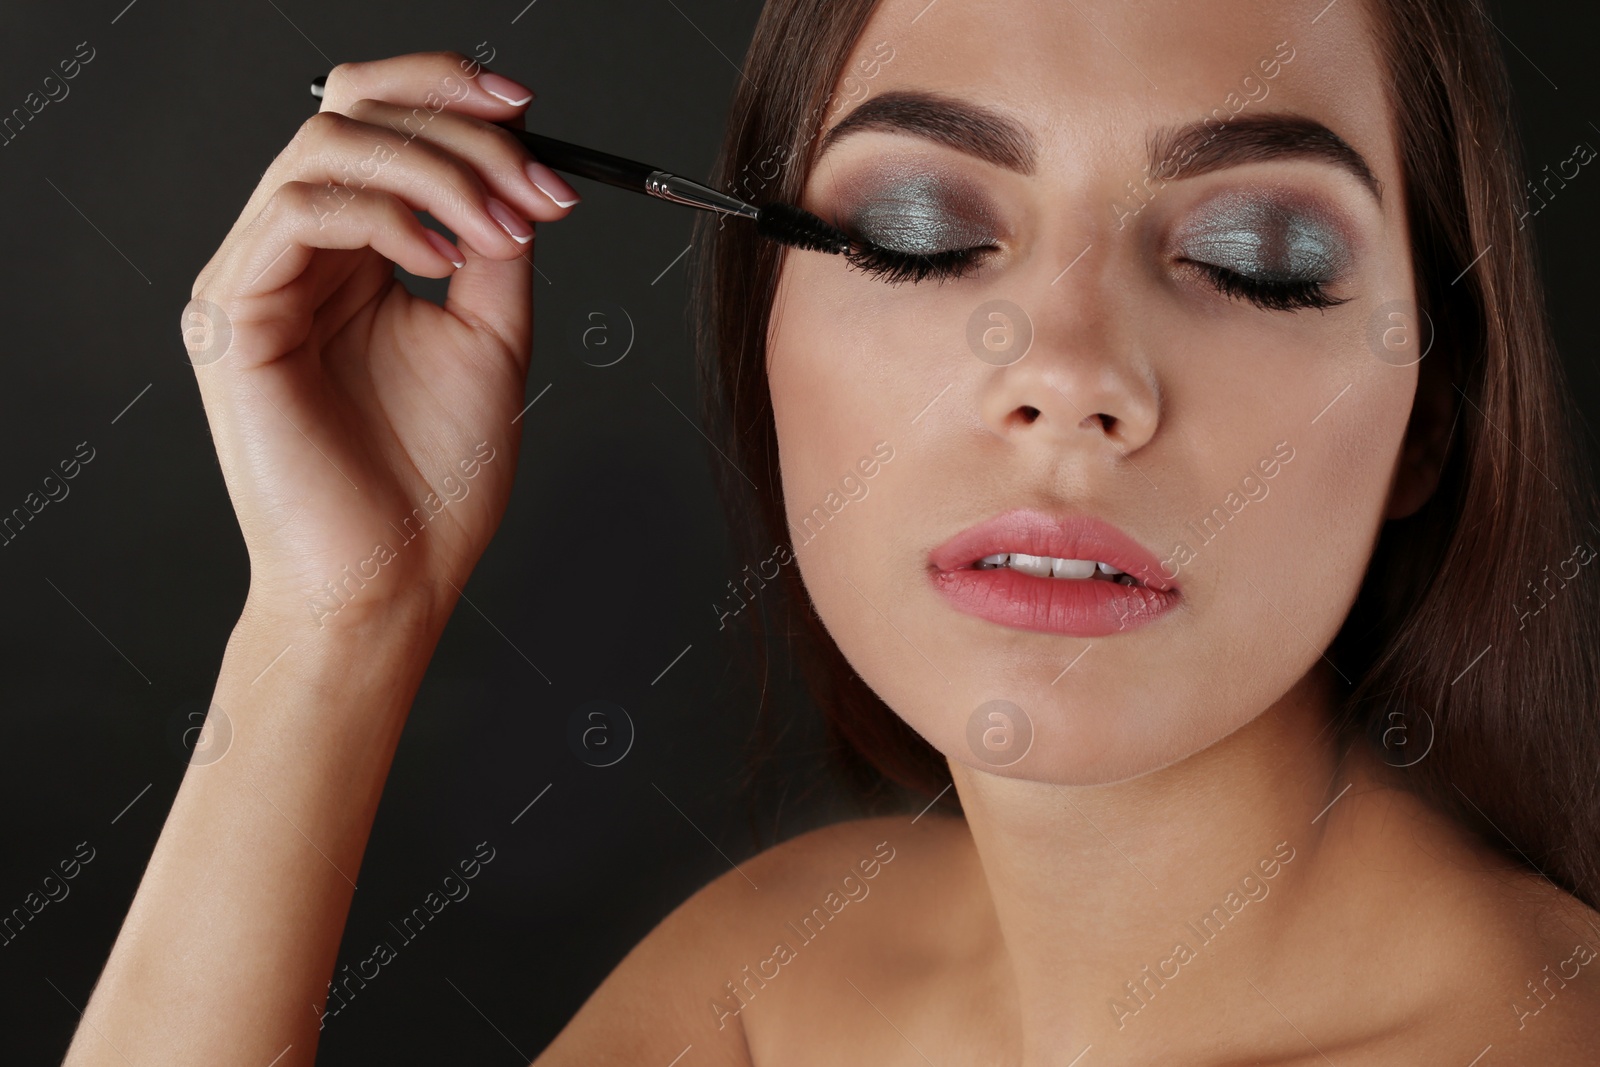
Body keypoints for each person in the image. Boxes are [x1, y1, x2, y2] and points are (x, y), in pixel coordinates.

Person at [65, 0, 1600, 1062]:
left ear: (1436, 415)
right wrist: (334, 625)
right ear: (759, 329)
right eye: (923, 236)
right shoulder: (772, 981)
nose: (1066, 376)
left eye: (1259, 255)